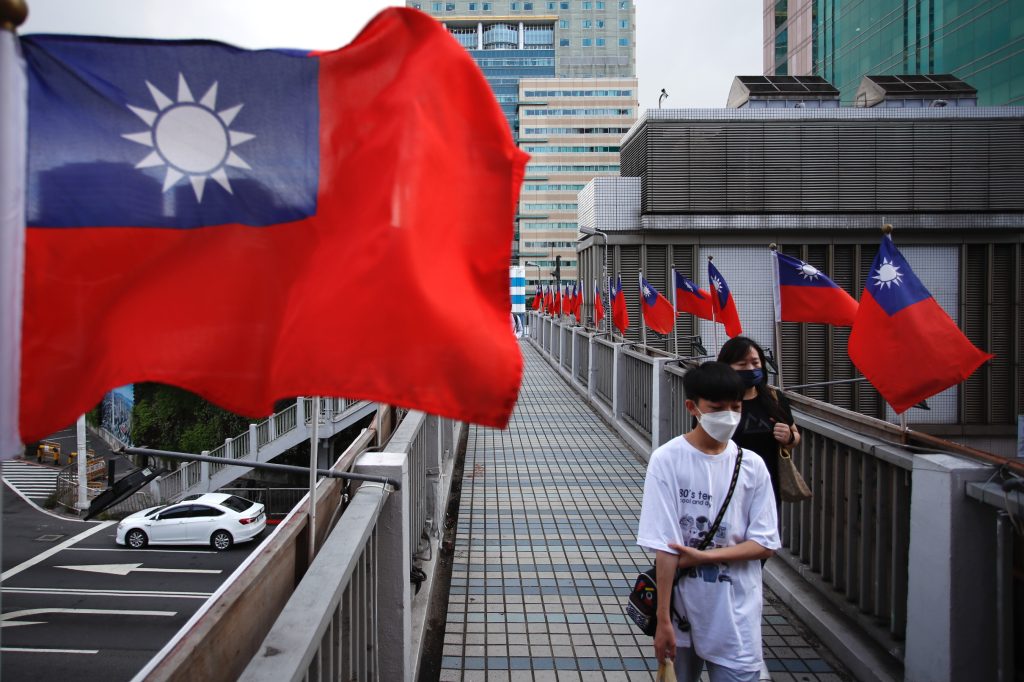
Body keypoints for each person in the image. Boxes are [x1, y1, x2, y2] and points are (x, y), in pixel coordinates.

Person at [637, 362, 781, 682]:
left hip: (736, 613)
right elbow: (665, 547)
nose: (728, 416)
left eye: (736, 407)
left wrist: (705, 557)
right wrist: (662, 621)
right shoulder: (667, 460)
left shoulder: (752, 466)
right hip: (682, 611)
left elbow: (765, 543)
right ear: (693, 407)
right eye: (716, 408)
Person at [717, 336, 800, 508]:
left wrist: (789, 438)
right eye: (742, 365)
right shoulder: (715, 402)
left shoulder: (774, 399)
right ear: (726, 367)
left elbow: (795, 435)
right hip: (724, 485)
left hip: (766, 486)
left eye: (755, 363)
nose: (751, 369)